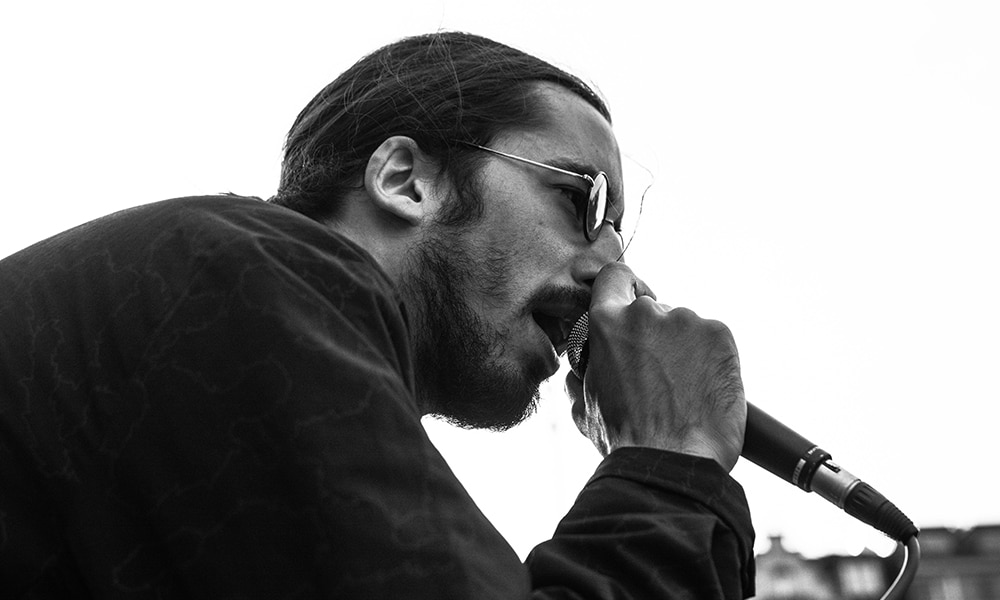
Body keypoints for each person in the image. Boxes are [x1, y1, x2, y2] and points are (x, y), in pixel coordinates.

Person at [0, 32, 754, 598]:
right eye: (578, 200)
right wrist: (672, 465)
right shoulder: (248, 269)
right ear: (405, 181)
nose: (610, 272)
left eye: (620, 238)